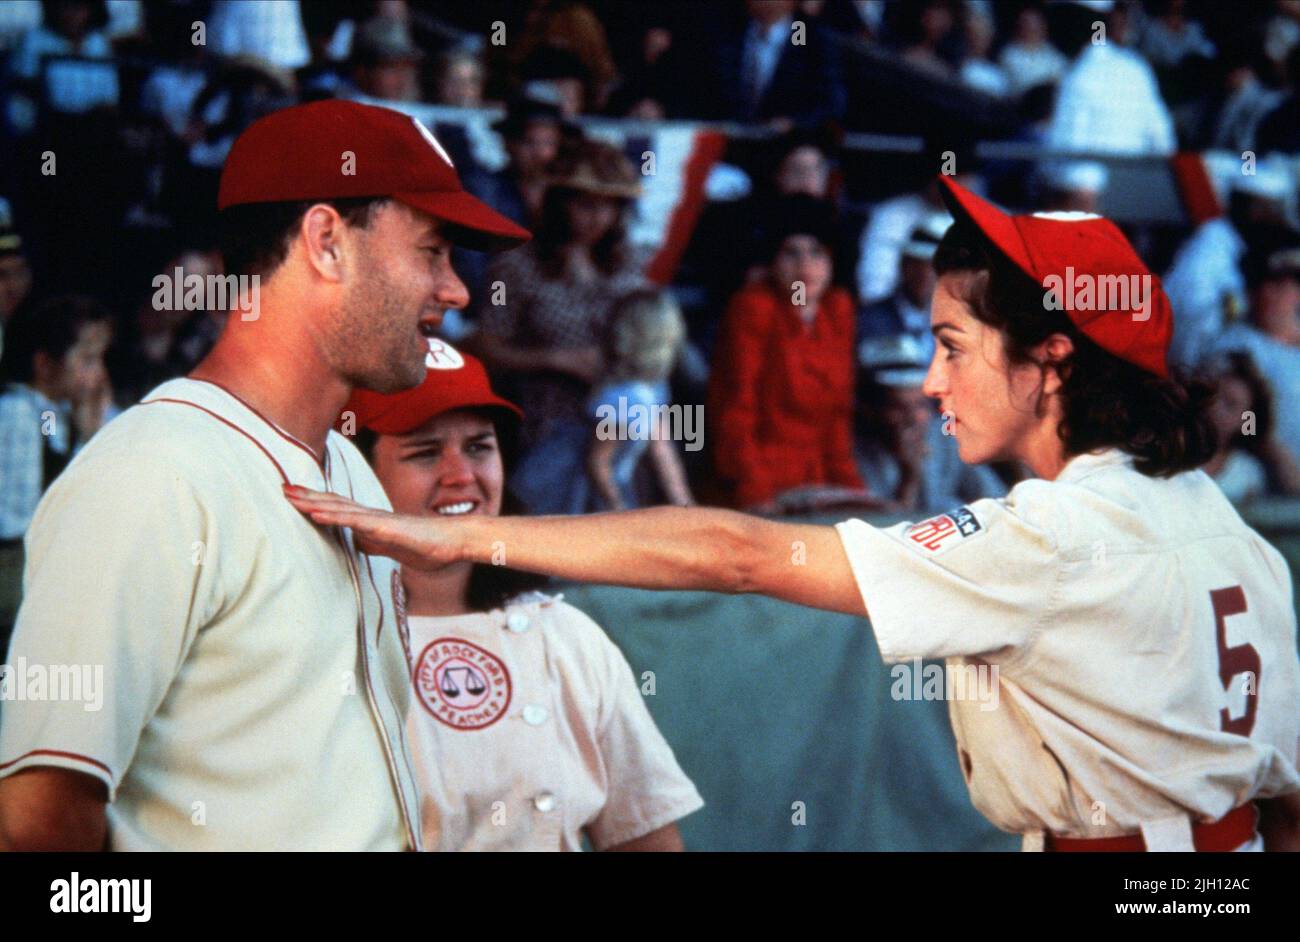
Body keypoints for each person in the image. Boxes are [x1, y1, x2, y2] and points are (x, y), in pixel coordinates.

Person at [288, 176, 1300, 852]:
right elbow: (1286, 802)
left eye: (953, 345)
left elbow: (734, 552)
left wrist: (462, 535)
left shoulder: (1056, 535)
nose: (932, 381)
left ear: (1051, 359)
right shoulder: (1228, 530)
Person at [0, 99, 531, 851]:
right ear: (326, 241)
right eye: (432, 251)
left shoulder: (347, 463)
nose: (456, 289)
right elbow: (35, 825)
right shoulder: (152, 473)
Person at [342, 350, 704, 850]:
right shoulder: (331, 642)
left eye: (478, 448)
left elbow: (646, 836)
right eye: (425, 453)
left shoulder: (567, 636)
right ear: (356, 474)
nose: (460, 475)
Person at [473, 140, 646, 515]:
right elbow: (486, 345)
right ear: (560, 203)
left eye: (609, 207)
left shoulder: (628, 263)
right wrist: (555, 359)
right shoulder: (515, 265)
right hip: (550, 414)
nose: (597, 218)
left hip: (622, 411)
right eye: (586, 205)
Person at [708, 195, 866, 511]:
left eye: (816, 253)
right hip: (761, 481)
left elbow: (838, 415)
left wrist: (851, 490)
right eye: (791, 253)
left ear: (834, 260)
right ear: (772, 260)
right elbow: (735, 412)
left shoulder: (837, 309)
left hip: (821, 480)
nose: (804, 267)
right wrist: (756, 491)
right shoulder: (753, 308)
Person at [0, 295, 113, 656]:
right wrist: (88, 437)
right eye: (87, 359)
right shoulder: (19, 412)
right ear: (45, 365)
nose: (98, 374)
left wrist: (88, 431)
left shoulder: (52, 413)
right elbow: (27, 516)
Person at [587, 288, 694, 511]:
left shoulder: (653, 387)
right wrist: (618, 509)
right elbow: (598, 463)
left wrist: (687, 507)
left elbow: (662, 449)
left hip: (621, 481)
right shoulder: (624, 399)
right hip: (596, 493)